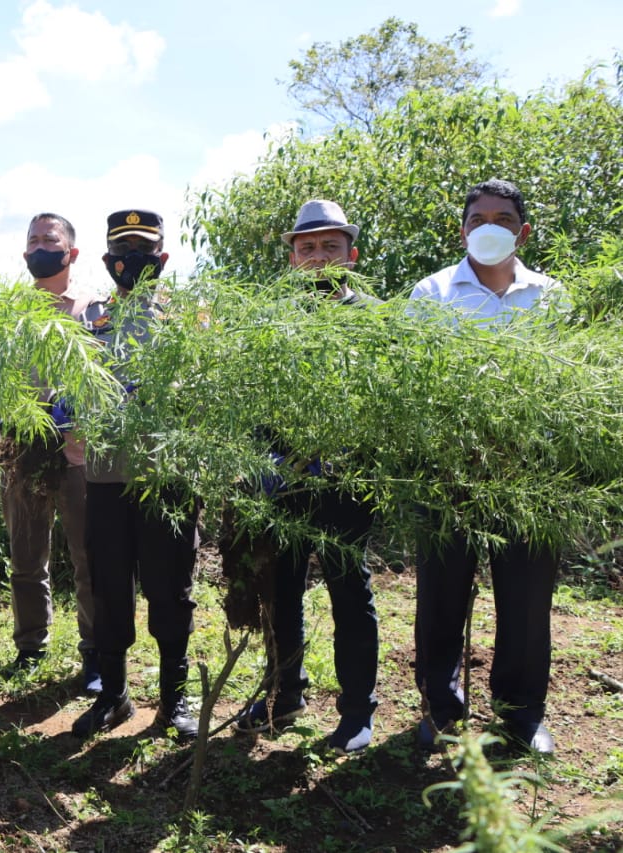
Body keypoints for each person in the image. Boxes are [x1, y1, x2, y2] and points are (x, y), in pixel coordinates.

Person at [409, 179, 561, 755]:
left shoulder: (551, 295)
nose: (489, 226)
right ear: (463, 228)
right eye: (478, 218)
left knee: (526, 599)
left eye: (502, 217)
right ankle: (440, 709)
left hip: (529, 473)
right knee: (441, 593)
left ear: (521, 231)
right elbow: (412, 383)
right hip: (450, 471)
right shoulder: (433, 293)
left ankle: (522, 715)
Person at [228, 200, 381, 754]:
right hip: (283, 482)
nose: (318, 258)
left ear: (351, 254)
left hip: (344, 482)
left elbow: (385, 403)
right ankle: (284, 692)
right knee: (282, 588)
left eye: (330, 247)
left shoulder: (373, 317)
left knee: (349, 591)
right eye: (307, 247)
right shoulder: (271, 319)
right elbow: (250, 397)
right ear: (292, 257)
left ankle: (357, 710)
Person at [72, 210, 199, 741]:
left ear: (162, 258)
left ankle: (174, 699)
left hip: (168, 479)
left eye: (144, 250)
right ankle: (115, 696)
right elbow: (69, 387)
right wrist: (70, 428)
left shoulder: (190, 318)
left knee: (171, 588)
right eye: (123, 250)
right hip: (105, 479)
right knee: (108, 586)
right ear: (108, 259)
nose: (132, 260)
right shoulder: (90, 319)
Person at [0, 212, 101, 694]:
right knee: (25, 553)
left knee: (87, 556)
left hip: (78, 449)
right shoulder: (7, 312)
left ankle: (96, 654)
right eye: (33, 239)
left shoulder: (92, 309)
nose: (41, 246)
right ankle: (31, 644)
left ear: (71, 252)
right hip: (22, 447)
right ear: (25, 253)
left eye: (51, 239)